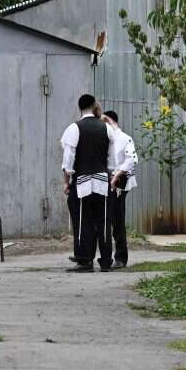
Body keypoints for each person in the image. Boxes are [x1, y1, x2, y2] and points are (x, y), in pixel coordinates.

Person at [61, 94, 117, 272]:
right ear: (94, 106)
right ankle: (106, 261)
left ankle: (85, 260)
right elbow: (112, 160)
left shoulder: (74, 128)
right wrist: (110, 176)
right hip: (102, 181)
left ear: (79, 108)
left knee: (82, 220)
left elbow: (68, 160)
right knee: (103, 221)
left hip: (82, 182)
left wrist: (66, 182)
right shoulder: (107, 129)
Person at [102, 110, 138, 269]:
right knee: (108, 220)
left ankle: (121, 257)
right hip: (107, 181)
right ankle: (110, 256)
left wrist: (117, 175)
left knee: (117, 220)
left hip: (120, 183)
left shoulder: (124, 138)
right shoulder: (107, 138)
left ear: (110, 121)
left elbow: (132, 160)